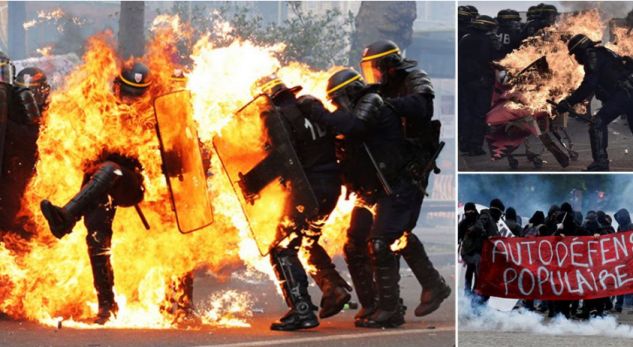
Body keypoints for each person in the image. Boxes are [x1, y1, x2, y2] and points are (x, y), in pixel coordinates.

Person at [302, 68, 427, 328]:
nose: (336, 106)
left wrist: (319, 112)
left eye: (337, 100)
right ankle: (372, 305)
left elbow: (355, 126)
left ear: (349, 92)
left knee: (380, 242)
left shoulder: (372, 101)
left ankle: (391, 310)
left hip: (395, 187)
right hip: (372, 191)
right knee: (354, 244)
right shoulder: (357, 109)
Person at [39, 62, 152, 324]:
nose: (132, 100)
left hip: (132, 184)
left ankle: (67, 217)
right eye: (128, 93)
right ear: (116, 87)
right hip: (99, 185)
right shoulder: (99, 111)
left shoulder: (153, 115)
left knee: (112, 169)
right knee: (98, 238)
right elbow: (82, 151)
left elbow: (158, 157)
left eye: (139, 95)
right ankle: (106, 306)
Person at [251, 75, 351, 331]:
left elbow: (284, 157)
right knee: (306, 241)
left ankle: (302, 310)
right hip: (331, 186)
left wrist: (251, 184)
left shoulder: (275, 116)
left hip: (309, 190)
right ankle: (335, 288)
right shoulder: (310, 106)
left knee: (282, 247)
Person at [359, 40, 450, 317]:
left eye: (375, 68)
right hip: (390, 169)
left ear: (388, 66)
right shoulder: (380, 89)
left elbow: (422, 107)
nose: (372, 74)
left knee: (384, 237)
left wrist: (387, 104)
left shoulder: (415, 77)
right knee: (395, 232)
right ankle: (433, 284)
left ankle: (394, 306)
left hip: (413, 166)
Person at [555, 34, 633, 171]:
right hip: (627, 92)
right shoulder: (604, 52)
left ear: (580, 50)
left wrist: (568, 102)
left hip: (623, 94)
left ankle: (601, 163)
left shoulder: (591, 56)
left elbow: (589, 84)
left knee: (597, 123)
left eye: (575, 54)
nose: (575, 58)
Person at [0, 55, 44, 238]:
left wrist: (8, 126)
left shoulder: (19, 100)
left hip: (14, 173)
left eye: (3, 73)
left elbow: (34, 135)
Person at [458, 15, 503, 155]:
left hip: (465, 82)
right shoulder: (484, 40)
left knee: (466, 113)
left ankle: (464, 144)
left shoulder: (465, 37)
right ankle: (475, 146)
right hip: (481, 82)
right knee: (479, 114)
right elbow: (491, 60)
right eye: (491, 29)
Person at [461, 198, 503, 307]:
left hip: (485, 257)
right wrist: (483, 232)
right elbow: (479, 225)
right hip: (478, 255)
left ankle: (477, 306)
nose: (500, 217)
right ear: (496, 211)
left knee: (482, 281)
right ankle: (475, 305)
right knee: (482, 280)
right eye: (500, 213)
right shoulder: (486, 216)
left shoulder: (492, 222)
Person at [614, 208, 633, 313]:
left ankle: (626, 307)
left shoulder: (631, 227)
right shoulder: (619, 228)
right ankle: (621, 305)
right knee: (622, 283)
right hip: (622, 261)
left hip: (628, 260)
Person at [458, 202, 479, 296]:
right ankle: (468, 292)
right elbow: (458, 237)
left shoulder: (480, 222)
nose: (469, 212)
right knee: (470, 270)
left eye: (471, 210)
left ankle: (474, 291)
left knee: (476, 272)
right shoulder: (463, 224)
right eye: (467, 211)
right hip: (468, 252)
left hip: (478, 251)